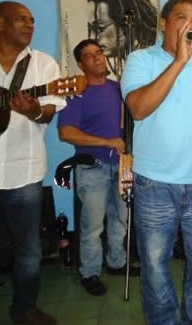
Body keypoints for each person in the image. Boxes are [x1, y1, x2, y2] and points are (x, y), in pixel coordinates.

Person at [120, 0, 192, 325]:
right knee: (156, 270)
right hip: (154, 185)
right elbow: (138, 108)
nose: (190, 25)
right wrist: (179, 63)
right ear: (164, 23)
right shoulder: (141, 60)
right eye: (182, 17)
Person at [0, 1, 66, 325]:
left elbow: (49, 109)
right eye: (22, 19)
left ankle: (25, 309)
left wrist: (32, 110)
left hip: (24, 171)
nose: (30, 25)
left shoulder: (44, 64)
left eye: (32, 20)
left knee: (29, 250)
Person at [57, 39, 140, 296]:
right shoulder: (76, 93)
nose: (97, 57)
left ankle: (117, 262)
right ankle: (90, 272)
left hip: (123, 165)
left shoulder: (120, 89)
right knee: (93, 225)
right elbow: (66, 132)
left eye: (99, 52)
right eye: (89, 55)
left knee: (121, 220)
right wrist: (107, 141)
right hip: (93, 167)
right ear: (81, 64)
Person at [87, 0, 159, 77]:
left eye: (100, 28)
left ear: (124, 24)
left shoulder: (150, 63)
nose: (93, 37)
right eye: (91, 29)